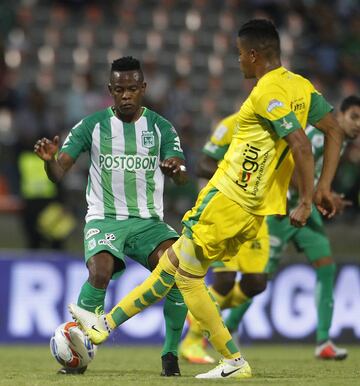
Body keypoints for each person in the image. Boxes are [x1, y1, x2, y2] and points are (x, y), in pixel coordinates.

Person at [69, 19, 343, 379]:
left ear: (254, 54)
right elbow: (334, 130)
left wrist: (308, 198)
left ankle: (223, 357)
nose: (238, 62)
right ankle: (110, 328)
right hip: (256, 208)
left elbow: (301, 144)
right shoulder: (301, 86)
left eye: (240, 55)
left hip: (229, 197)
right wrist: (324, 186)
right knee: (179, 269)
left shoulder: (265, 92)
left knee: (184, 273)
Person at [34, 56, 188, 376]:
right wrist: (50, 161)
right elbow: (59, 171)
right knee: (100, 270)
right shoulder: (91, 126)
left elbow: (181, 171)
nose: (126, 95)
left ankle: (170, 356)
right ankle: (79, 353)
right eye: (120, 89)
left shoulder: (161, 127)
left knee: (177, 268)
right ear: (110, 90)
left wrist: (176, 170)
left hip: (148, 222)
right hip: (105, 218)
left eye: (132, 88)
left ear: (143, 88)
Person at [181, 95, 360, 364]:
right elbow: (295, 166)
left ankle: (323, 340)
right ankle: (216, 330)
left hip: (305, 208)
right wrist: (321, 194)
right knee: (249, 280)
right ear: (340, 115)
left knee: (322, 266)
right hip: (280, 208)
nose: (358, 125)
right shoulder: (319, 135)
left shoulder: (340, 141)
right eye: (354, 117)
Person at [179, 112, 270, 364]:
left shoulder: (281, 133)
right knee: (226, 280)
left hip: (257, 214)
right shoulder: (231, 125)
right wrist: (235, 180)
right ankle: (192, 342)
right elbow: (204, 164)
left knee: (257, 283)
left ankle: (200, 313)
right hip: (226, 212)